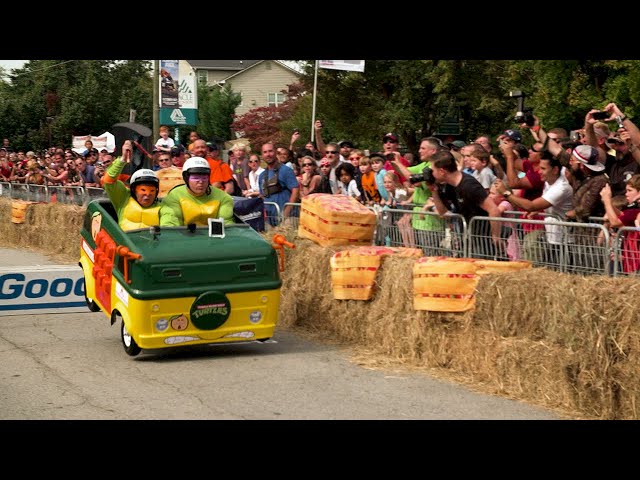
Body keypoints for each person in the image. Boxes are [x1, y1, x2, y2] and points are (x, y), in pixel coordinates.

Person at [428, 150, 506, 259]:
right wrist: (433, 190)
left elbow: (493, 210)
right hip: (468, 235)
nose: (431, 174)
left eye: (432, 171)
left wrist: (495, 237)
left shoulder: (469, 185)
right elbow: (443, 212)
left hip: (482, 238)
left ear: (442, 171)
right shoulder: (450, 186)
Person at [159, 156, 235, 227]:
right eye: (195, 178)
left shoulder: (223, 197)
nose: (201, 181)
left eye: (204, 177)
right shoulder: (174, 195)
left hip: (213, 240)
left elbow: (226, 226)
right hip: (183, 239)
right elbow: (170, 224)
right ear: (186, 178)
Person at [103, 140, 161, 231]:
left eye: (152, 190)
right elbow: (108, 181)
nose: (148, 194)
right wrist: (122, 159)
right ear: (134, 190)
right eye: (143, 190)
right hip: (126, 244)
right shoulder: (123, 198)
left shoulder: (164, 207)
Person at [258, 142, 299, 225]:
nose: (268, 154)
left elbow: (296, 191)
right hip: (271, 220)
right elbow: (263, 196)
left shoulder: (286, 170)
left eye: (270, 151)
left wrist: (286, 213)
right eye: (265, 152)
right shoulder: (262, 176)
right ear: (262, 155)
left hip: (288, 219)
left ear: (276, 153)